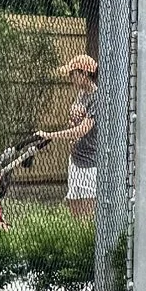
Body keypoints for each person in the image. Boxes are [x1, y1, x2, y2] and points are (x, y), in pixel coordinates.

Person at [49, 54, 98, 219]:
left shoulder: (97, 97)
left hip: (89, 163)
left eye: (73, 74)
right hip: (75, 158)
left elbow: (82, 130)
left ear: (84, 73)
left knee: (88, 215)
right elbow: (75, 123)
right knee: (75, 211)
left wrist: (50, 135)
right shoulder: (82, 94)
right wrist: (72, 121)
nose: (70, 78)